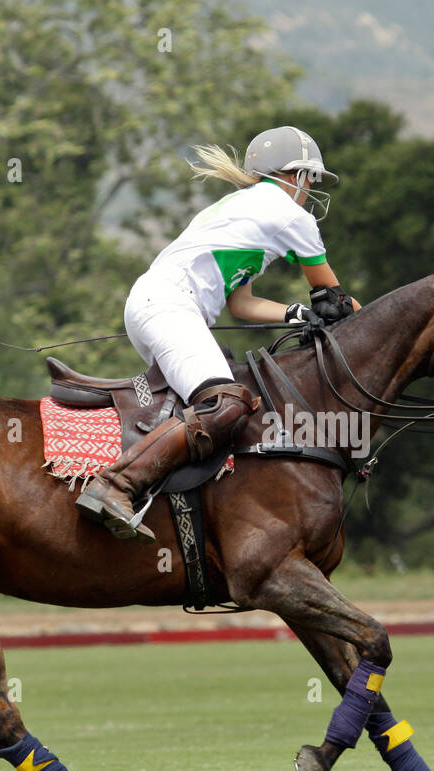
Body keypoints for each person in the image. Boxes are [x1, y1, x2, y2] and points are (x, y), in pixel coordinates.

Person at [75, 127, 361, 540]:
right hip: (171, 307)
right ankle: (116, 486)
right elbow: (335, 302)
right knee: (226, 405)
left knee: (203, 410)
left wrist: (294, 313)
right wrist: (383, 319)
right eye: (311, 180)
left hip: (154, 305)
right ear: (296, 175)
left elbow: (241, 304)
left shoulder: (238, 206)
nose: (310, 190)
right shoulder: (293, 217)